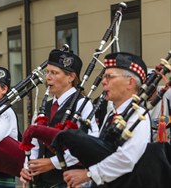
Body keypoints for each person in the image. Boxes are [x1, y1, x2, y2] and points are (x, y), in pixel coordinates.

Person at [54, 52, 151, 187]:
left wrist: (87, 175)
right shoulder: (110, 116)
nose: (103, 82)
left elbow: (127, 158)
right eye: (104, 76)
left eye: (109, 77)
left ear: (130, 82)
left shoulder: (139, 116)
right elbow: (102, 156)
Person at [20, 49, 99, 188]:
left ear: (71, 77)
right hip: (42, 182)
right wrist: (27, 167)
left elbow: (90, 143)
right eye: (47, 72)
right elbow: (35, 143)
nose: (48, 78)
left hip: (69, 182)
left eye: (54, 73)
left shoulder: (82, 104)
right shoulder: (46, 106)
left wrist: (54, 163)